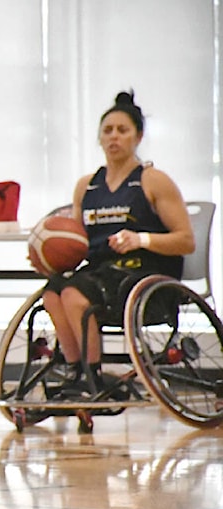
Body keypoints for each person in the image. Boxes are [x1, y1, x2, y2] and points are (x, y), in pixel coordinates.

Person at [40, 91, 194, 393]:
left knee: (74, 293)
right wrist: (47, 254)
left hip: (145, 273)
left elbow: (186, 241)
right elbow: (77, 241)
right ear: (99, 138)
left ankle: (92, 376)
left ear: (137, 137)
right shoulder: (87, 186)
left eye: (122, 130)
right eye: (107, 131)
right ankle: (74, 372)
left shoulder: (152, 180)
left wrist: (141, 238)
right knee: (53, 291)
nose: (114, 137)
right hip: (101, 271)